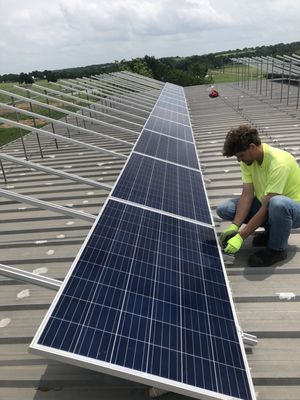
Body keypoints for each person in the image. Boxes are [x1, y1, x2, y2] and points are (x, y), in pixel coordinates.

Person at [217, 125, 300, 267]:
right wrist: (234, 227)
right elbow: (247, 194)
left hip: (293, 210)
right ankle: (271, 232)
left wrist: (241, 237)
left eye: (240, 156)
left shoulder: (279, 163)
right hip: (269, 205)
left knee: (277, 203)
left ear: (252, 147)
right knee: (225, 208)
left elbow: (268, 206)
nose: (239, 160)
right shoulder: (248, 161)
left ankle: (277, 249)